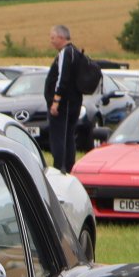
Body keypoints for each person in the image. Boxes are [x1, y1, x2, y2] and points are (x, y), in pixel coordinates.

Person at [44, 24, 86, 174]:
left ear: (61, 37)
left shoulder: (65, 53)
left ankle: (60, 168)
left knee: (59, 137)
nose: (51, 41)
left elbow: (63, 78)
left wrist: (56, 101)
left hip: (64, 105)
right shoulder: (75, 52)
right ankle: (68, 167)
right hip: (73, 103)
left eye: (53, 37)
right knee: (68, 136)